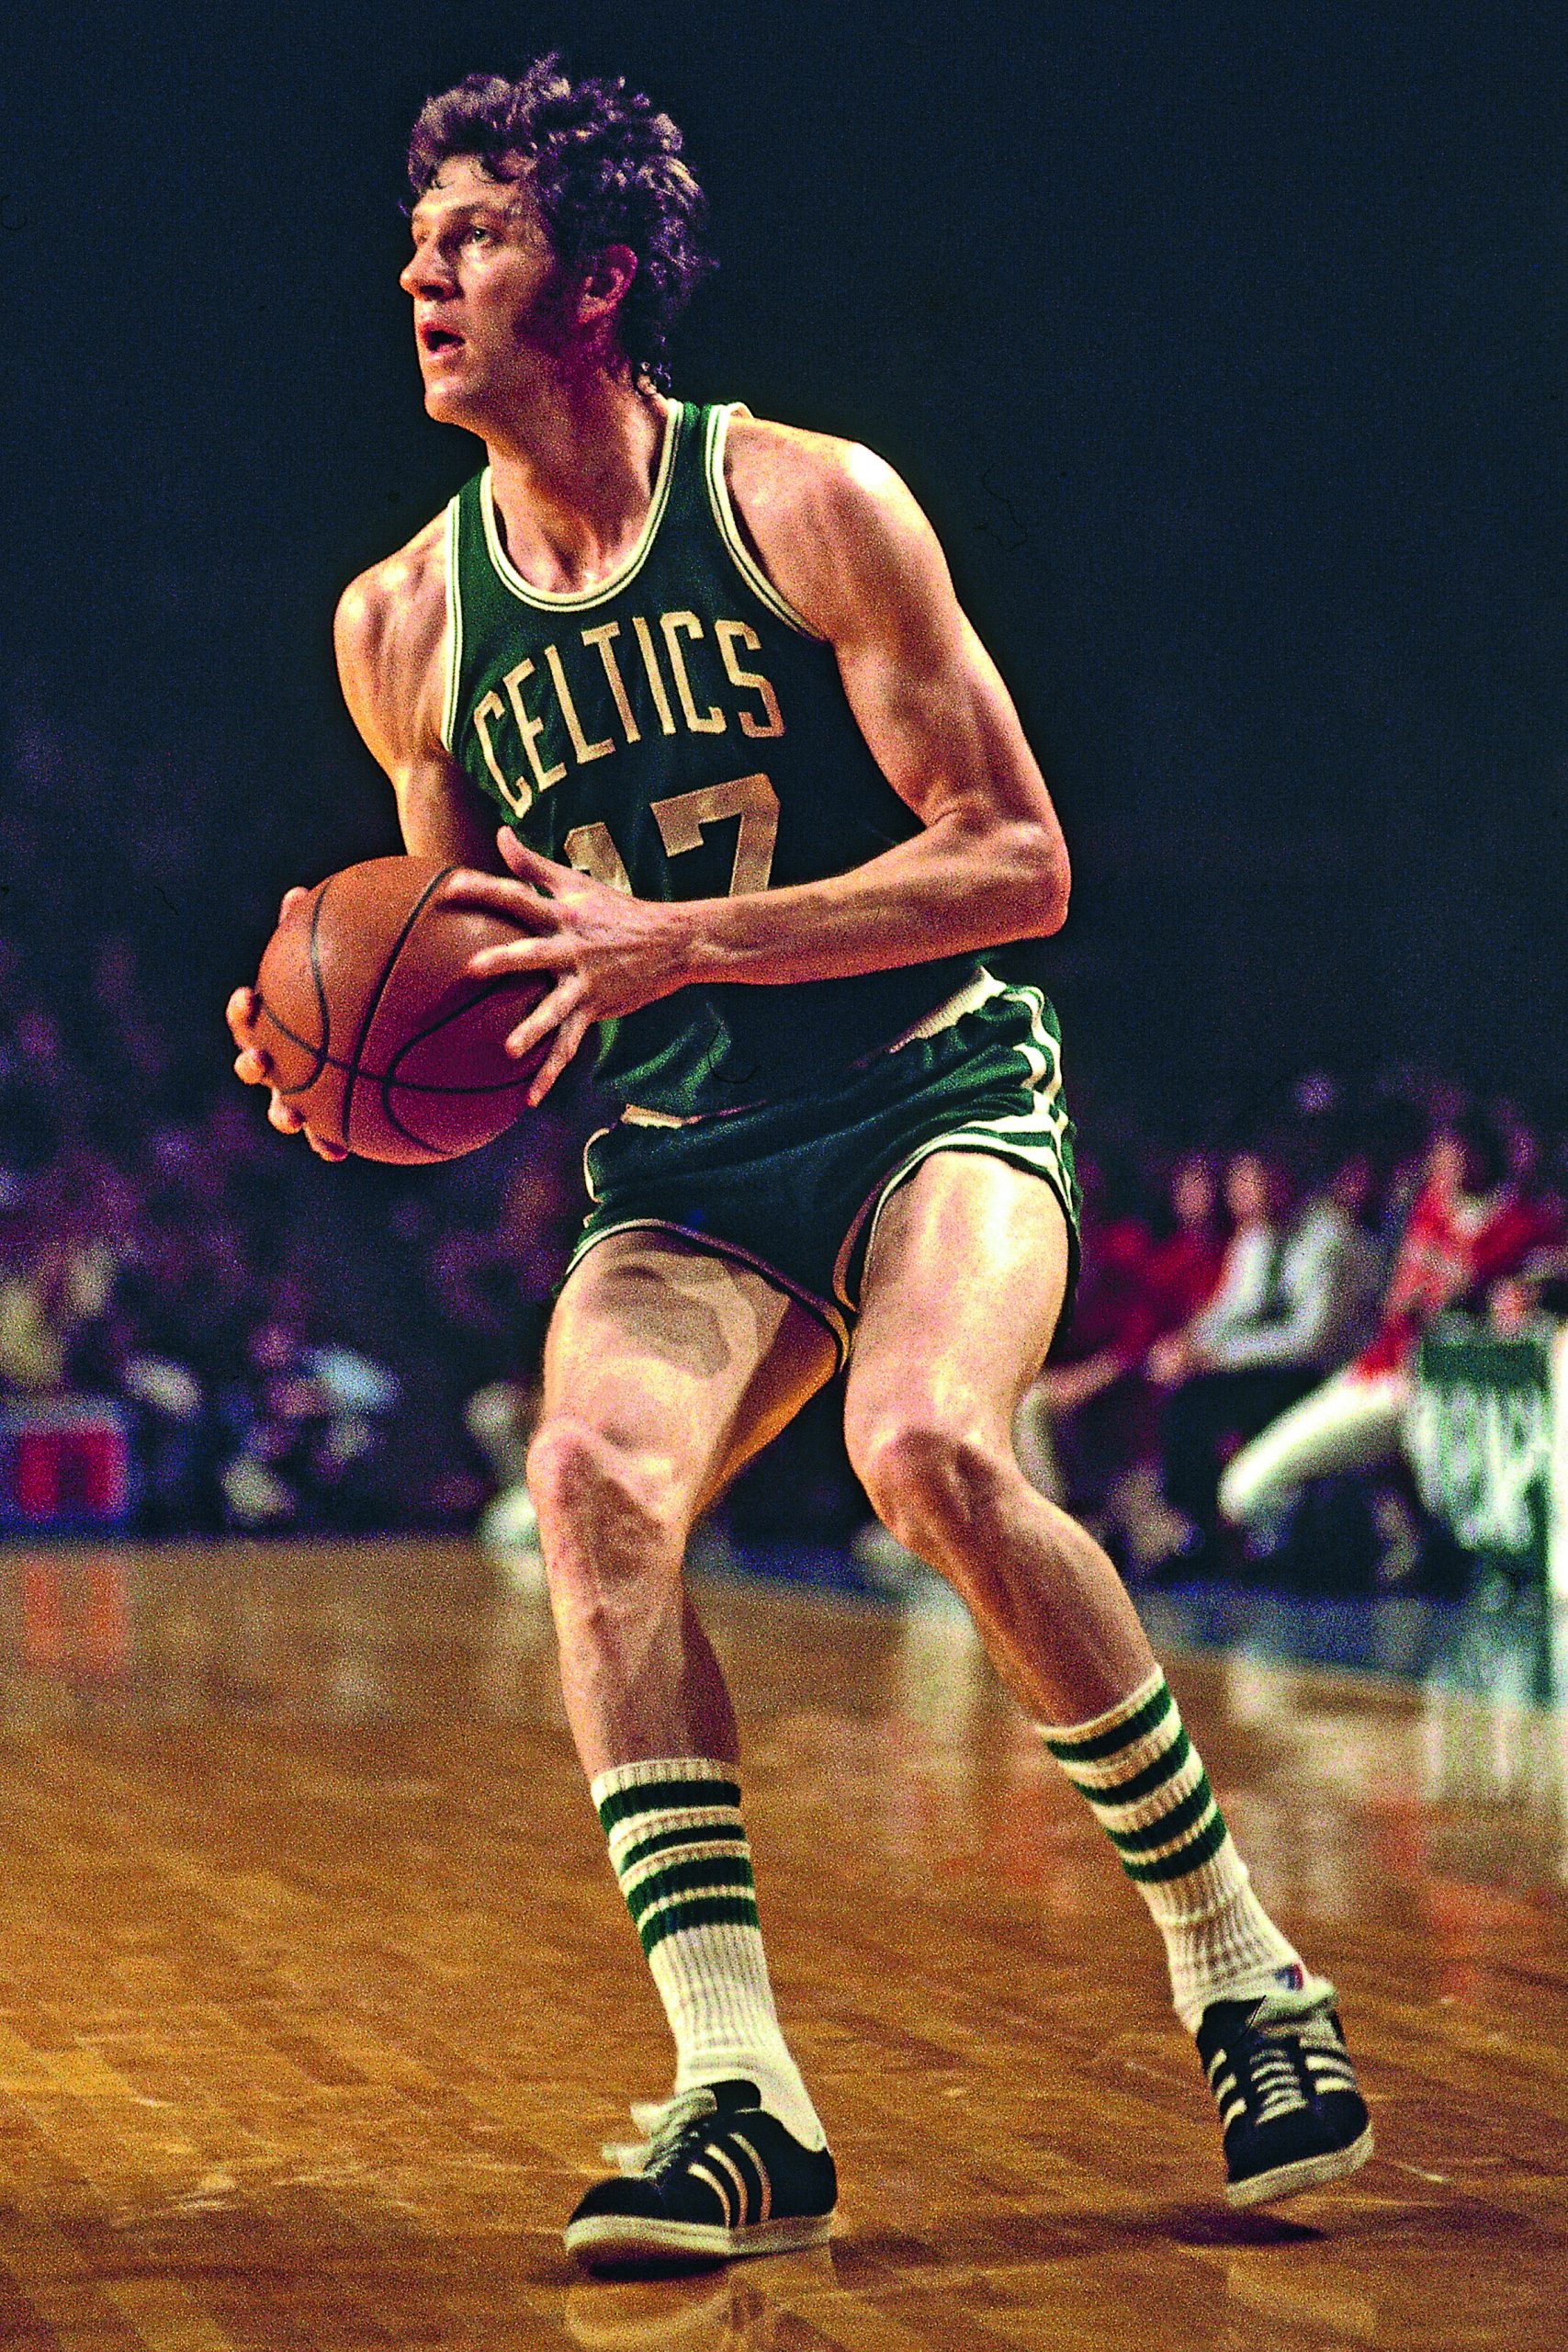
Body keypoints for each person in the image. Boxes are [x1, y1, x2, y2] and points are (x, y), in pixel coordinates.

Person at [227, 57, 1370, 2264]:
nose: (420, 273)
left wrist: (694, 937)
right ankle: (740, 2089)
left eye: (472, 235)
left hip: (935, 1084)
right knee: (582, 1481)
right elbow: (482, 989)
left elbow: (1018, 859)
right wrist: (332, 1066)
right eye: (417, 238)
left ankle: (1241, 1965)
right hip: (684, 1158)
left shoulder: (809, 504)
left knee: (928, 1441)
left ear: (602, 281)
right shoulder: (400, 624)